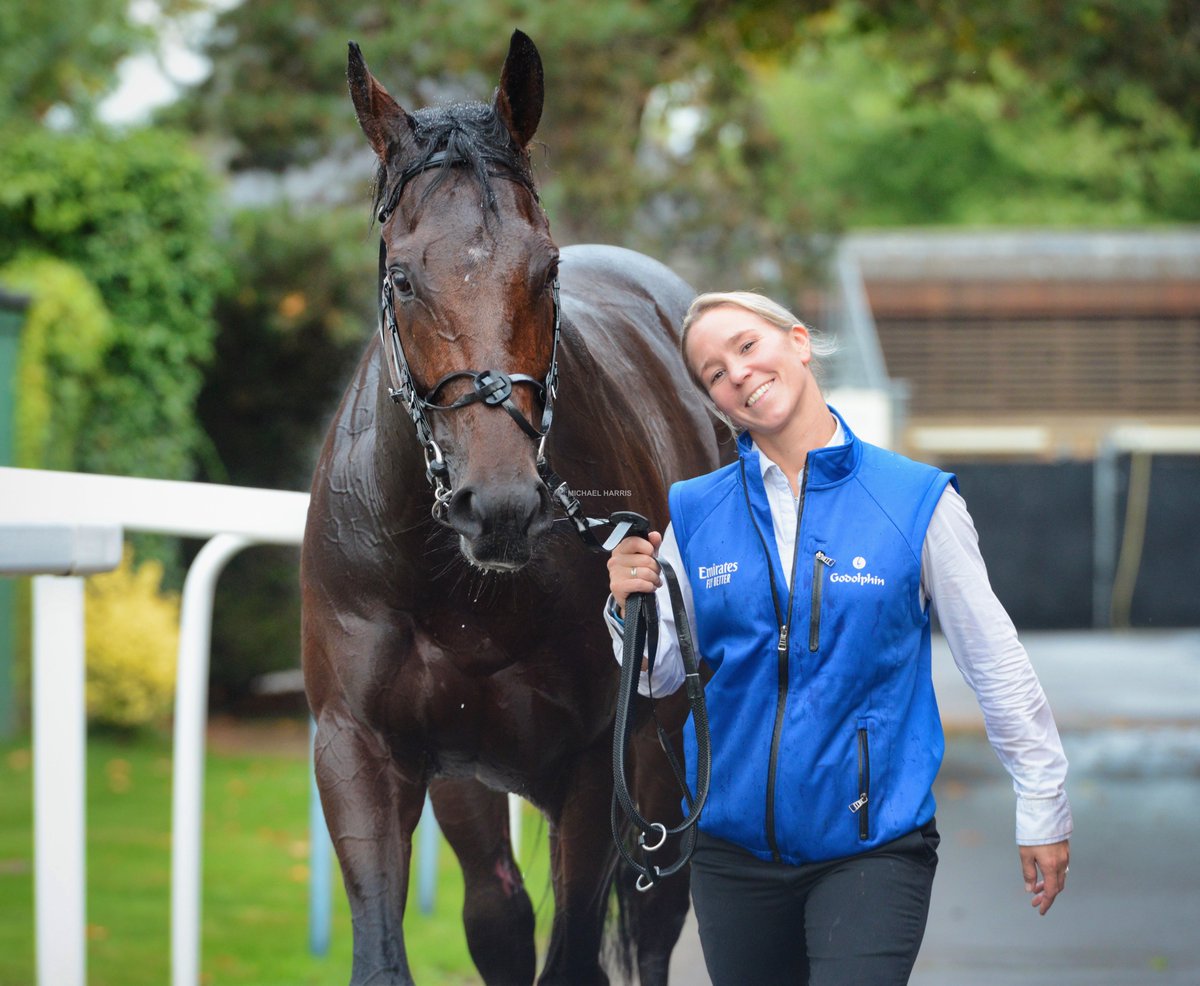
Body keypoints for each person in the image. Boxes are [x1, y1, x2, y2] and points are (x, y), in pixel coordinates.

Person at [604, 291, 1072, 986]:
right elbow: (657, 675)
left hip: (873, 847)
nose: (735, 372)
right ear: (713, 401)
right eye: (711, 372)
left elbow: (993, 658)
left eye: (745, 345)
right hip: (732, 853)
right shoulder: (696, 512)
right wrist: (625, 602)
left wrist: (1042, 803)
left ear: (797, 341)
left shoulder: (916, 500)